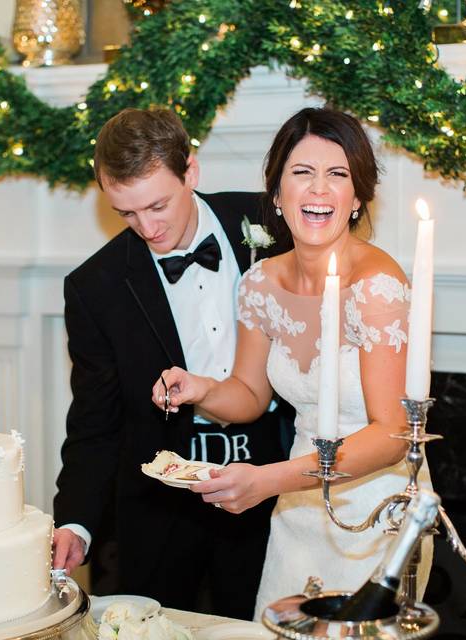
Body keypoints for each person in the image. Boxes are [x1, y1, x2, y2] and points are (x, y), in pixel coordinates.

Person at [152, 107, 433, 618]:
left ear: (356, 198)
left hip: (377, 510)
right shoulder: (261, 283)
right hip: (301, 508)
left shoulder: (377, 285)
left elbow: (393, 434)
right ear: (278, 196)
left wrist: (267, 480)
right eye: (302, 174)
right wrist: (201, 389)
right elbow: (250, 394)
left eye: (338, 175)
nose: (319, 190)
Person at [51, 107, 291, 619]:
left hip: (274, 480)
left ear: (191, 172)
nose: (148, 227)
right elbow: (95, 421)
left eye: (158, 205)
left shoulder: (272, 223)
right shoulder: (95, 286)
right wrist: (75, 521)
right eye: (127, 214)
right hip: (161, 505)